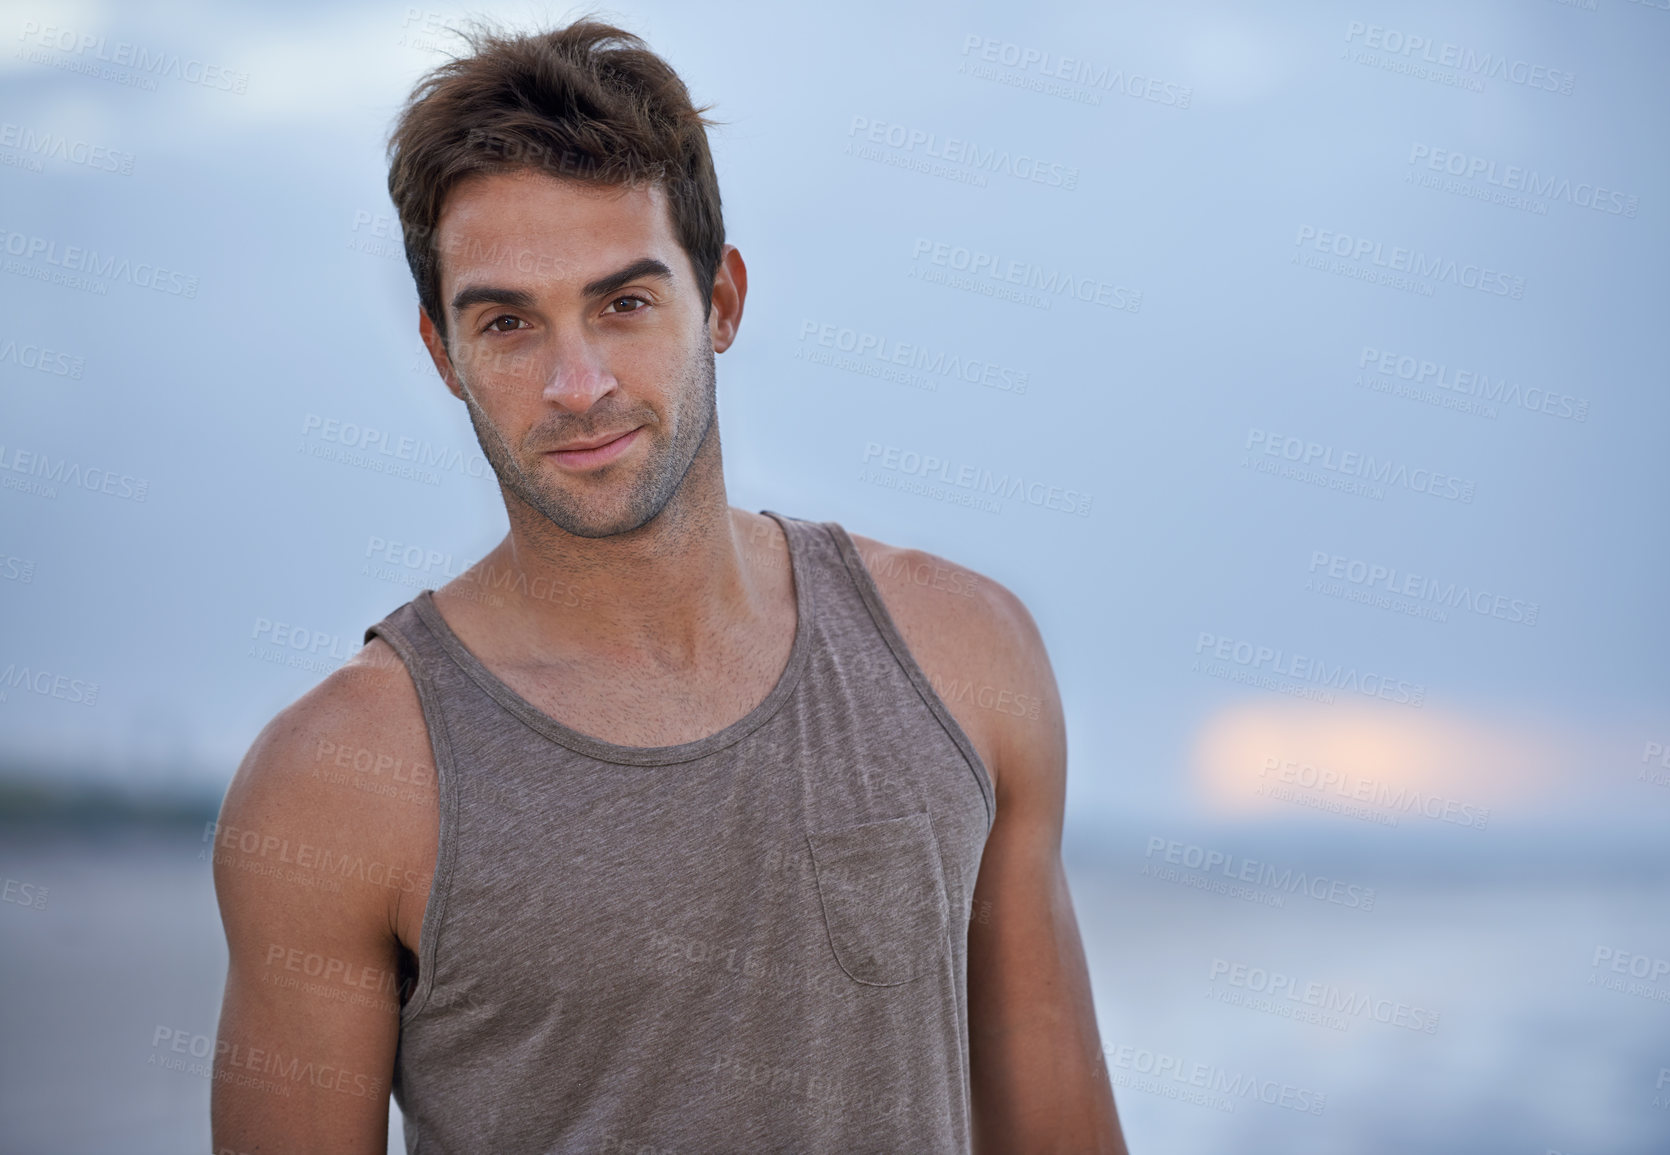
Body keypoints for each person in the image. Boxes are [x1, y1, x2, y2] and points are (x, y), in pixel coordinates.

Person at [210, 18, 1126, 1154]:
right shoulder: (340, 782)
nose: (577, 384)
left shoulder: (963, 653)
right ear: (444, 355)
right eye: (506, 324)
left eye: (625, 304)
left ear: (723, 302)